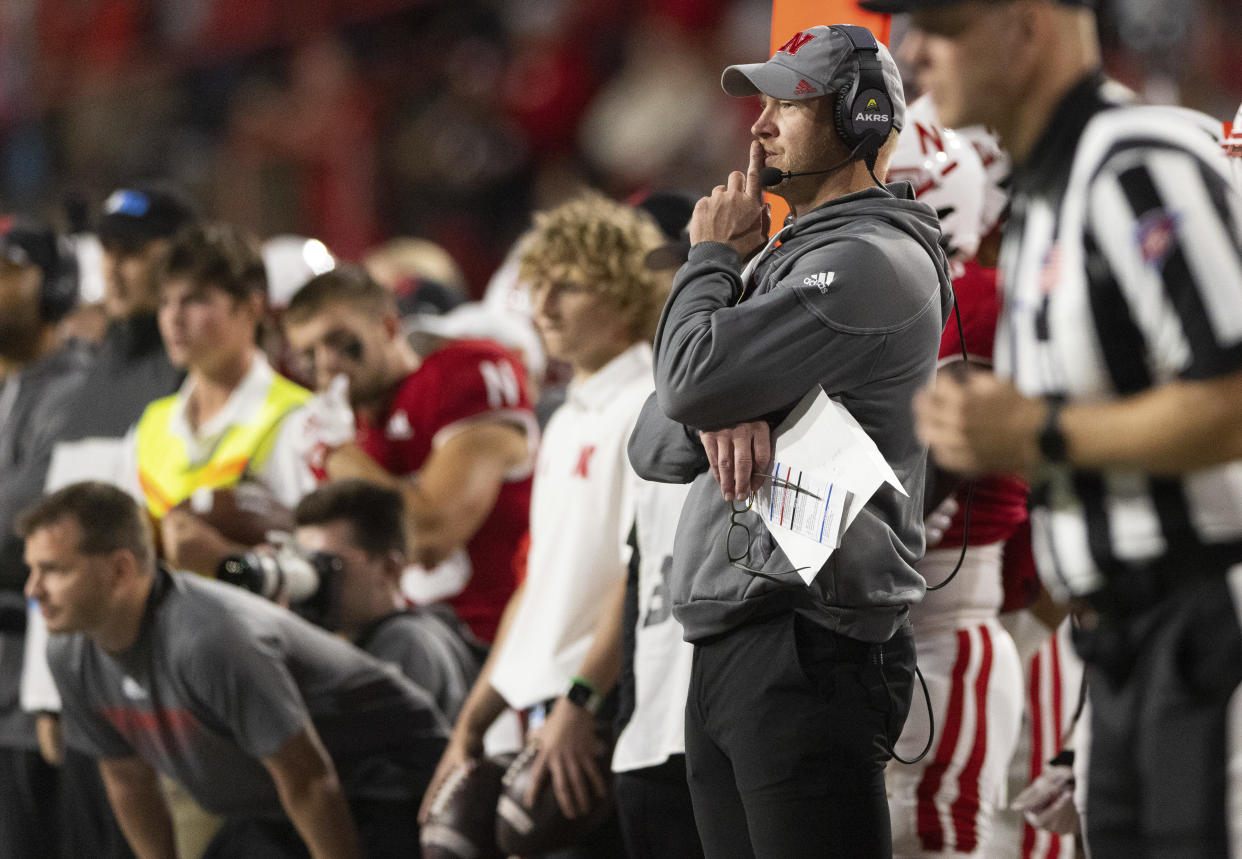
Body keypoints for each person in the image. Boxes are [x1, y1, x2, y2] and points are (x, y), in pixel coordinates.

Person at [878, 0, 1242, 854]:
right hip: (1116, 641)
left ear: (1027, 25)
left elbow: (1233, 392)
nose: (914, 52)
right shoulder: (1051, 194)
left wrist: (1037, 435)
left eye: (940, 24)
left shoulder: (1139, 163)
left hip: (1201, 622)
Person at [627, 24, 952, 858]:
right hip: (735, 636)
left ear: (861, 115)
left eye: (789, 104)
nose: (758, 125)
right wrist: (726, 394)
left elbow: (686, 385)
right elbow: (657, 441)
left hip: (810, 637)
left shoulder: (870, 258)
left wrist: (706, 263)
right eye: (761, 104)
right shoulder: (775, 260)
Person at [420, 193, 667, 859]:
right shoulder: (565, 417)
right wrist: (473, 722)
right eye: (540, 286)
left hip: (605, 705)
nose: (545, 306)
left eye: (570, 286)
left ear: (622, 296)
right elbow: (537, 585)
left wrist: (581, 703)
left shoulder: (646, 408)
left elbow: (641, 574)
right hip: (541, 705)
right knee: (451, 840)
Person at [22, 481, 448, 859]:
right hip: (279, 806)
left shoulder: (208, 637)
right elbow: (128, 780)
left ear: (119, 570)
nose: (33, 589)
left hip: (390, 787)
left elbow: (311, 782)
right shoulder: (69, 652)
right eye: (32, 569)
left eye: (54, 570)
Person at [31, 183, 197, 859]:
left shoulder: (189, 379)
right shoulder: (92, 378)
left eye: (134, 251)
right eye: (108, 251)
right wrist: (46, 687)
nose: (115, 267)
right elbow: (57, 545)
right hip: (82, 673)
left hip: (166, 689)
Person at [883, 98, 1026, 859]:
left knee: (934, 836)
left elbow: (931, 481)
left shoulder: (973, 299)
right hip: (901, 624)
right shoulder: (908, 300)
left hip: (943, 620)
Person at [282, 264, 536, 645]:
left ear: (387, 327)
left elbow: (430, 536)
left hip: (490, 637)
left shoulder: (463, 372)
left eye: (338, 341)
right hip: (406, 636)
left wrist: (333, 453)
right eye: (309, 353)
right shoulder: (346, 426)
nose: (325, 363)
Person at [123, 222, 321, 577]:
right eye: (165, 301)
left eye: (195, 300)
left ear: (251, 308)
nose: (174, 318)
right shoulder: (151, 423)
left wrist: (225, 562)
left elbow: (318, 568)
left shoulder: (299, 419)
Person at [0, 217, 90, 858]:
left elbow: (21, 519)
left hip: (30, 692)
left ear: (56, 286)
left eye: (7, 271)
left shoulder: (82, 388)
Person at [293, 479, 483, 719]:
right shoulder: (422, 630)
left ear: (389, 569)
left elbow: (349, 748)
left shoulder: (404, 642)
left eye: (326, 565)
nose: (314, 581)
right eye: (304, 565)